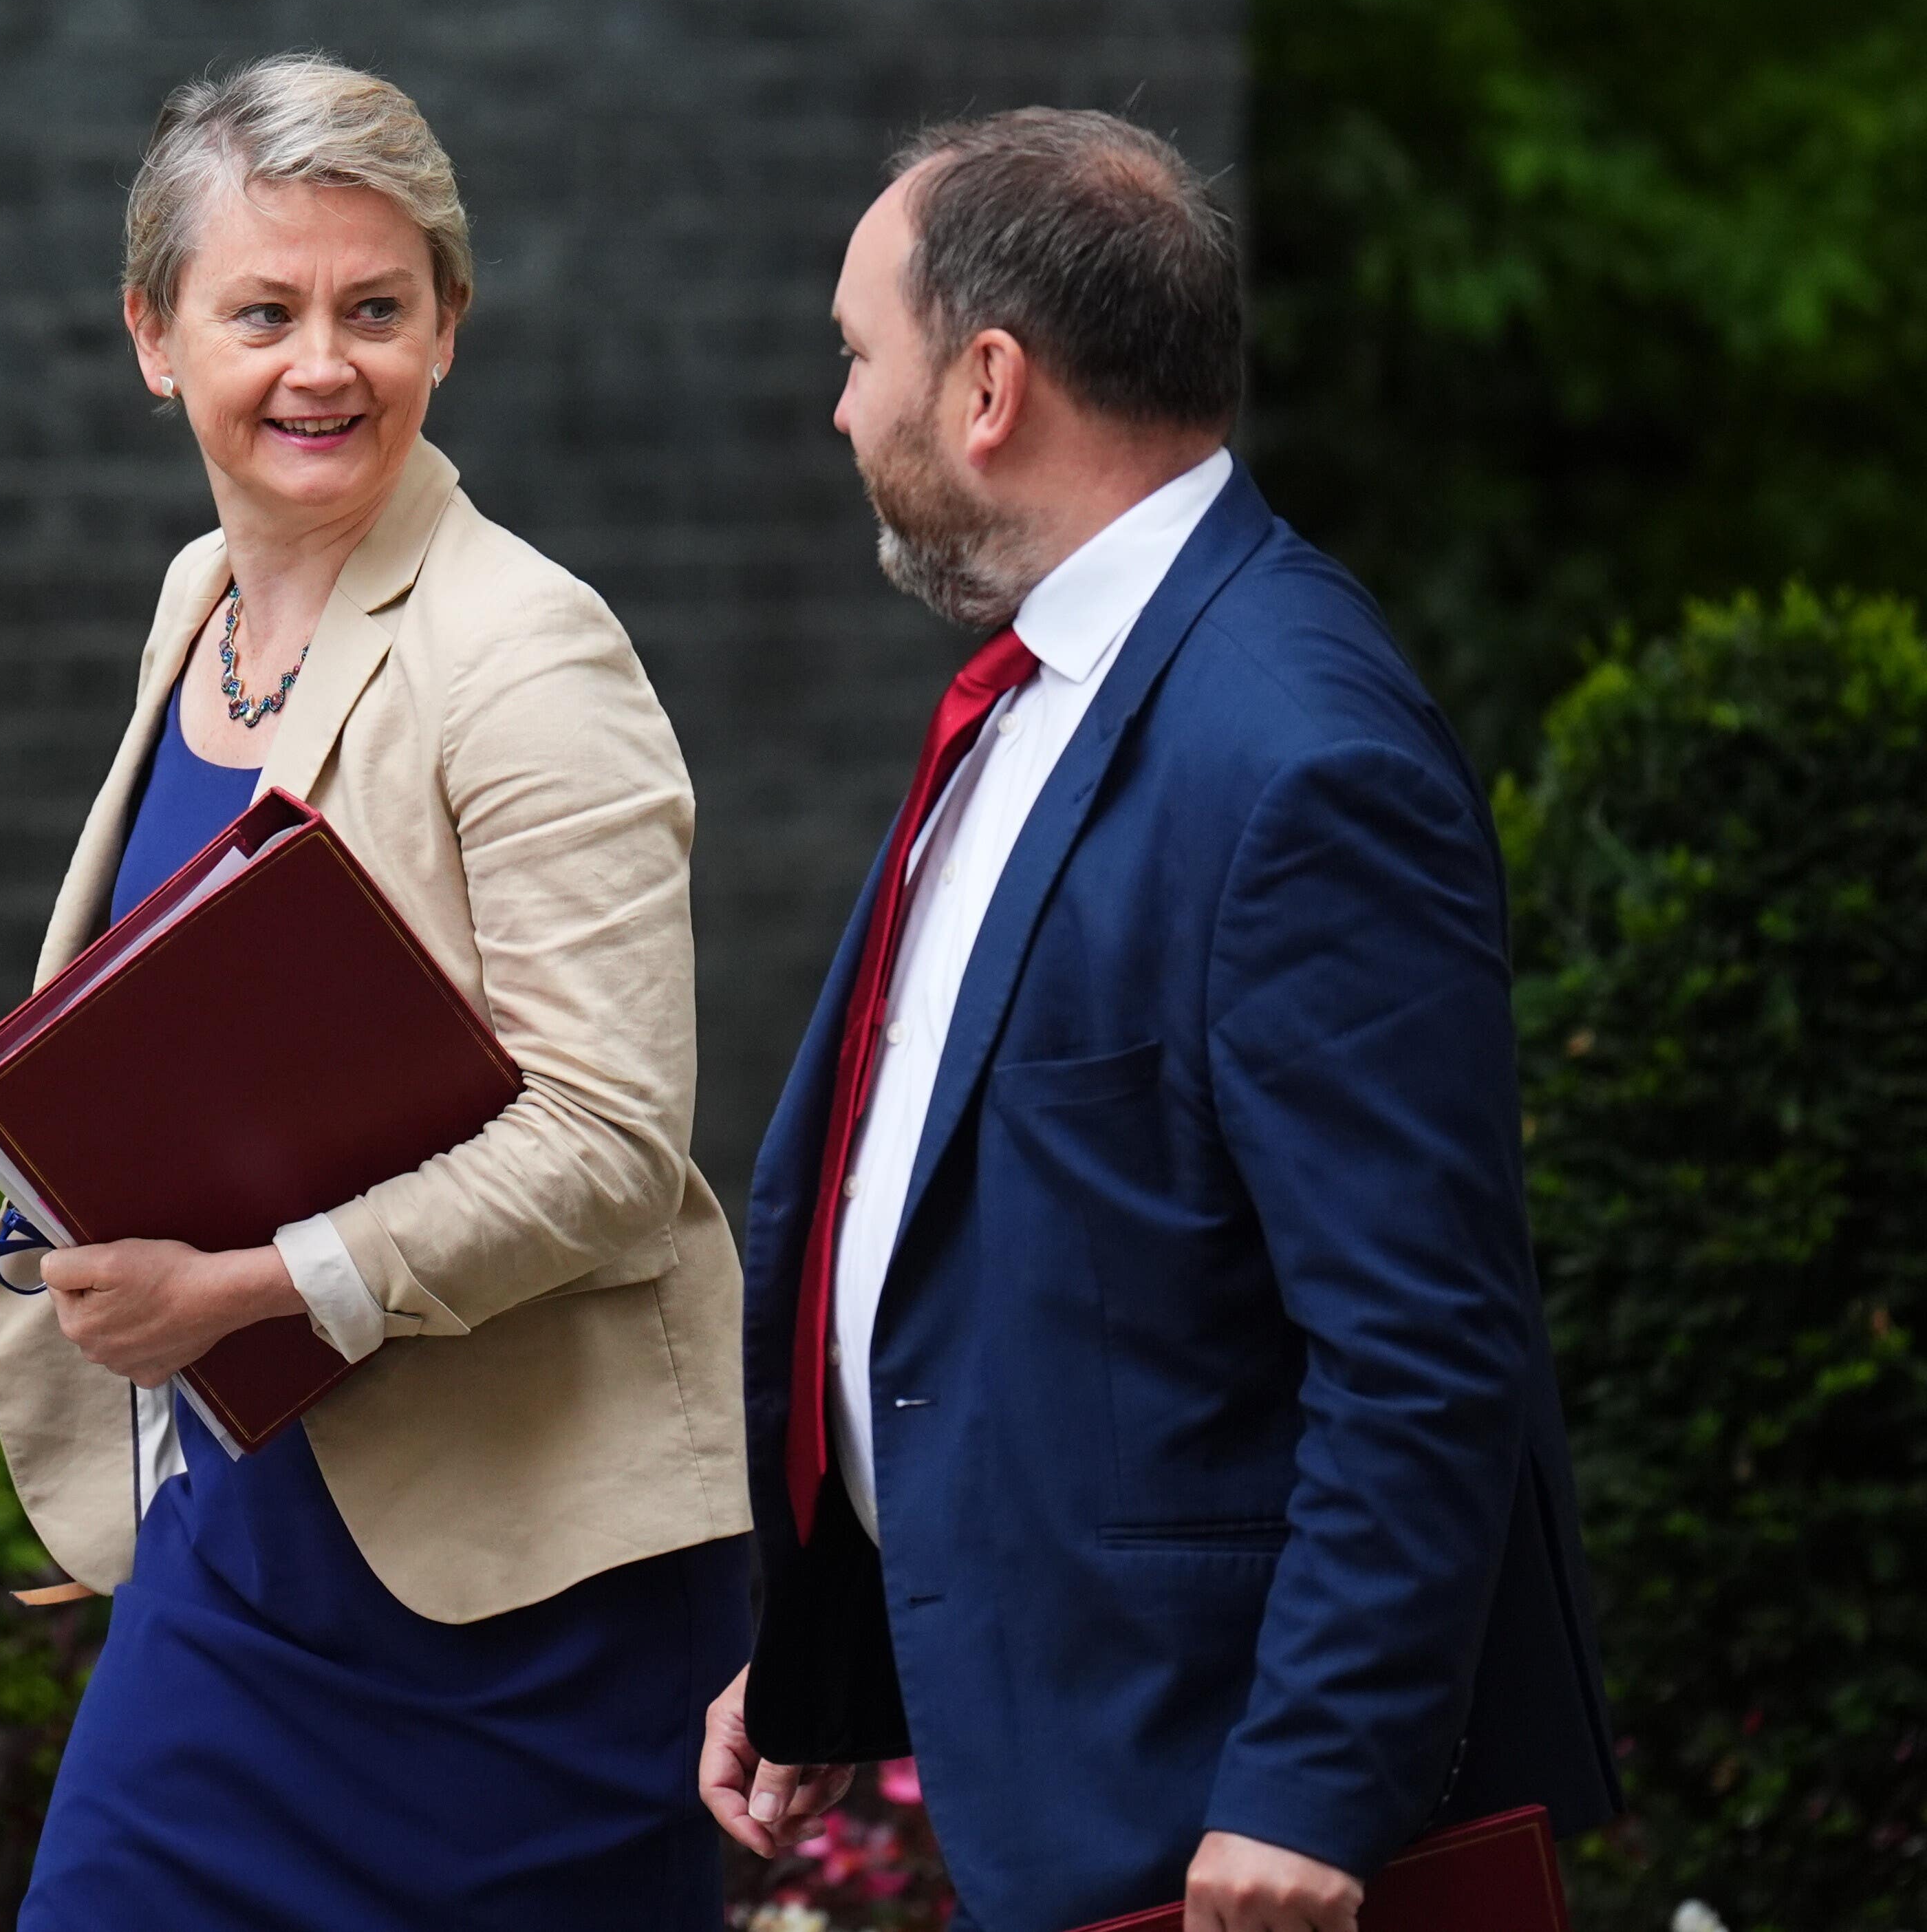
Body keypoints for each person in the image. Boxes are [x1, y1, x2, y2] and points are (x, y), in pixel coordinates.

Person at [696, 109, 1622, 1932]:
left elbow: (1426, 1340)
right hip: (1071, 1766)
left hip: (1225, 1835)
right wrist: (835, 1649)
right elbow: (1023, 1260)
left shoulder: (1298, 753)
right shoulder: (1044, 684)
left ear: (986, 386)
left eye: (855, 355)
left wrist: (1310, 1791)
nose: (838, 411)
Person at [0, 53, 751, 1931]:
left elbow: (612, 1143)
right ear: (154, 337)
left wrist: (246, 1297)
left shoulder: (531, 655)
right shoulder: (198, 606)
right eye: (265, 312)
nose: (323, 365)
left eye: (376, 310)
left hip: (522, 1613)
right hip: (242, 1561)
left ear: (449, 329)